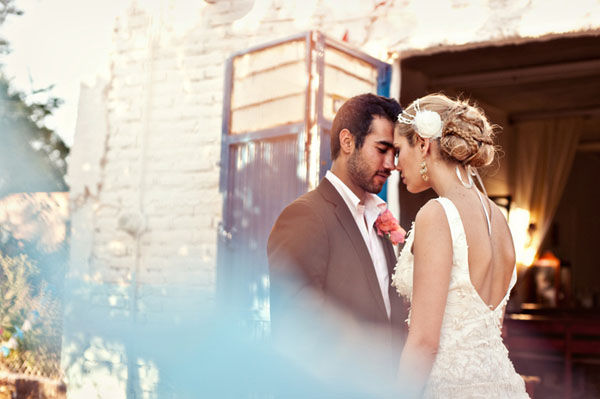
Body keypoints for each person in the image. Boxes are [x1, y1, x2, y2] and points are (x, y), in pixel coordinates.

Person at [268, 93, 407, 397]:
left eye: (394, 153)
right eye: (382, 149)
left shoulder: (378, 217)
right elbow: (296, 324)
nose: (390, 164)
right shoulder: (305, 215)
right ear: (347, 142)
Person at [391, 93, 529, 398]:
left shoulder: (437, 214)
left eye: (399, 150)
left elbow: (424, 343)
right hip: (502, 385)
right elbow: (491, 329)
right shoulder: (500, 221)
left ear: (423, 144)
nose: (396, 164)